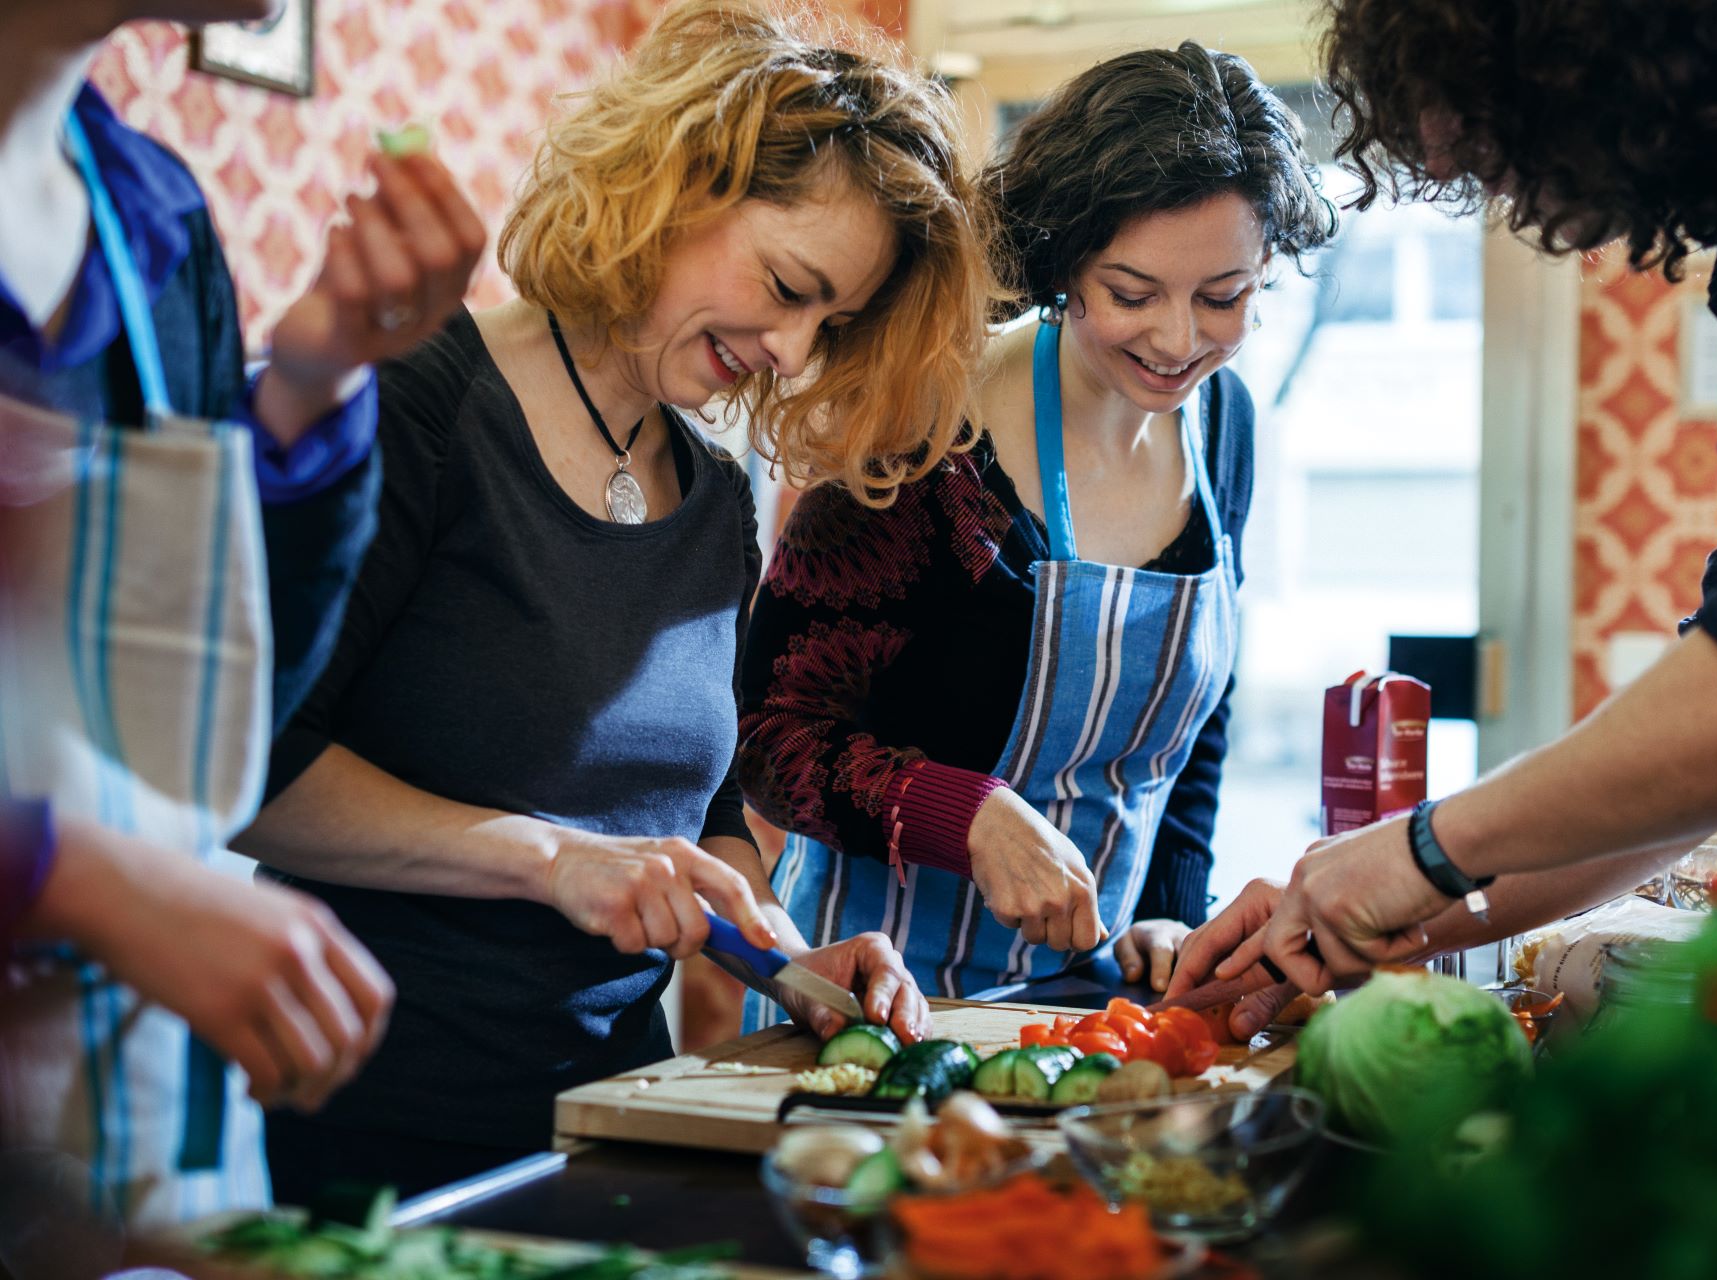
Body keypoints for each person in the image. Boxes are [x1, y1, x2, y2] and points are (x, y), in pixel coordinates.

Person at [234, 0, 993, 1201]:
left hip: (625, 1114)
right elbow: (249, 777)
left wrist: (791, 964)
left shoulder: (717, 493)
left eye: (830, 323)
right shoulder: (418, 410)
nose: (794, 353)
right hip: (385, 1117)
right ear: (678, 183)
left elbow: (697, 819)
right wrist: (553, 862)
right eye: (789, 286)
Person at [1169, 0, 1717, 1016]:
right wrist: (1372, 907)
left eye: (1496, 146)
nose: (1511, 195)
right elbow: (1713, 750)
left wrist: (1427, 846)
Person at [0, 0, 484, 1238]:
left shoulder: (148, 222)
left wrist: (317, 380)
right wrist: (68, 877)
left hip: (112, 1167)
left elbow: (220, 711)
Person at [733, 43, 1332, 1021]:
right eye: (1132, 294)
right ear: (1063, 265)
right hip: (875, 1000)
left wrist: (1174, 919)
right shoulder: (929, 432)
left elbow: (1195, 724)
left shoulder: (1226, 429)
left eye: (1225, 296)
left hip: (1091, 1008)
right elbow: (768, 735)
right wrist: (961, 814)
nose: (1181, 341)